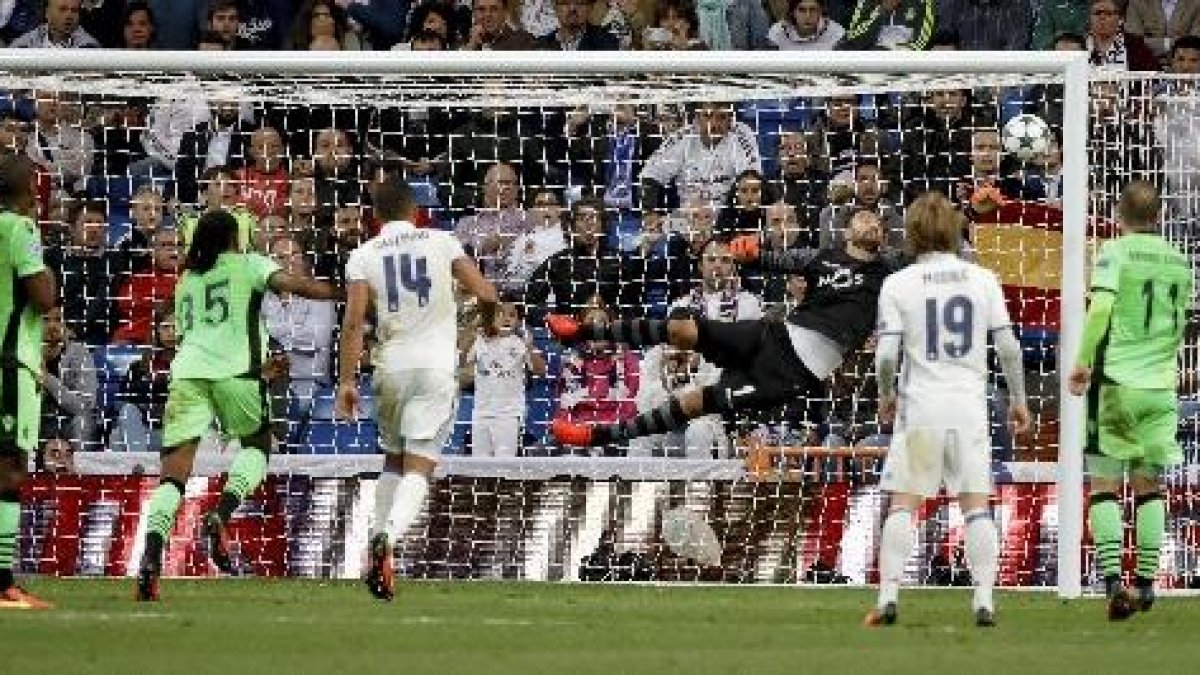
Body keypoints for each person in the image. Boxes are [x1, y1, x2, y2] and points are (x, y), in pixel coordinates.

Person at [547, 208, 898, 449]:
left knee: (696, 403)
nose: (873, 224)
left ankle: (598, 437)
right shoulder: (824, 257)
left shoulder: (889, 270)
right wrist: (749, 252)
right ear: (847, 230)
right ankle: (581, 332)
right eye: (865, 219)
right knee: (682, 330)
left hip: (793, 375)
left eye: (878, 222)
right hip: (774, 336)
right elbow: (779, 260)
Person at [134, 209, 338, 602]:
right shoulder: (249, 263)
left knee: (173, 477)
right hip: (237, 376)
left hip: (187, 376)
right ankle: (221, 514)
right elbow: (293, 284)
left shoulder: (187, 280)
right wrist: (343, 292)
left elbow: (202, 332)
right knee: (259, 447)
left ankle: (151, 554)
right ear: (233, 237)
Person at [862, 191, 1030, 629]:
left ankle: (888, 597)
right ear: (956, 231)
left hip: (921, 409)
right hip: (969, 407)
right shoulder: (982, 279)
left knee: (905, 502)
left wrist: (885, 395)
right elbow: (1008, 347)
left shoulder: (898, 284)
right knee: (976, 505)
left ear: (912, 233)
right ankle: (984, 600)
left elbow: (884, 357)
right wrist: (1018, 400)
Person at [334, 176, 497, 601]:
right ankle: (386, 539)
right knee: (419, 464)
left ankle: (376, 541)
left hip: (389, 367)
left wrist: (347, 381)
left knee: (392, 458)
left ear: (375, 216)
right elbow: (485, 292)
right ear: (415, 210)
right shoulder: (442, 241)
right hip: (434, 366)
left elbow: (352, 323)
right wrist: (485, 322)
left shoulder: (362, 255)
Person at [1066, 181, 1193, 621]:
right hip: (1161, 389)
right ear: (1158, 217)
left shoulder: (1113, 253)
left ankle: (1112, 583)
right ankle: (1145, 584)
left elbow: (1100, 310)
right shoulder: (1181, 262)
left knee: (1103, 486)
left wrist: (1083, 362)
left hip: (1117, 384)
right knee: (1149, 487)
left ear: (1119, 214)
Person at [0, 154, 56, 610]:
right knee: (9, 468)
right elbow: (42, 297)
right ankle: (2, 585)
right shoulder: (19, 229)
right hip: (7, 363)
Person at [460, 299, 547, 457]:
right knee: (479, 464)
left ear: (519, 321)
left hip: (508, 415)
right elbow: (461, 361)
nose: (506, 319)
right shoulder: (480, 341)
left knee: (504, 465)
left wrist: (530, 345)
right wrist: (471, 333)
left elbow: (541, 371)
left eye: (512, 315)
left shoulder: (520, 344)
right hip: (481, 413)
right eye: (500, 314)